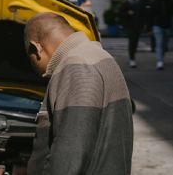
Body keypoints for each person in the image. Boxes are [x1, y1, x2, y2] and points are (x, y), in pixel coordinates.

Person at [24, 12, 133, 175]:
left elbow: (69, 158)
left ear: (36, 48)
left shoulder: (76, 66)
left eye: (30, 59)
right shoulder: (97, 55)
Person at [122, 0, 146, 68]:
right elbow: (122, 13)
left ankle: (133, 56)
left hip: (138, 25)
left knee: (135, 42)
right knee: (132, 42)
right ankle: (132, 58)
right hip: (130, 25)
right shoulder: (127, 1)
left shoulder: (141, 1)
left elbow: (144, 13)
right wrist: (127, 14)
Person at [150, 0, 171, 70]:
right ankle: (159, 61)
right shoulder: (155, 2)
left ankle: (160, 58)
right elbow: (151, 14)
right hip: (157, 25)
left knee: (165, 44)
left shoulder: (169, 1)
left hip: (166, 25)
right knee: (159, 43)